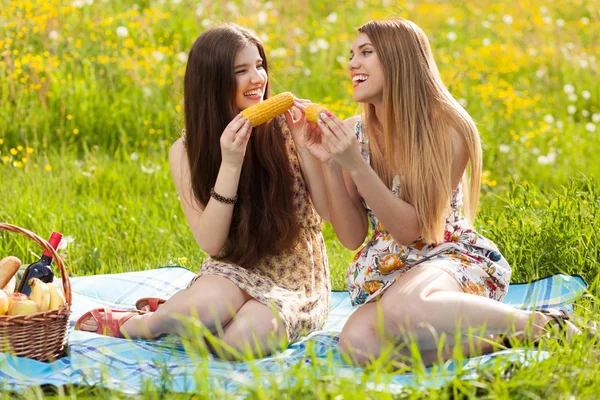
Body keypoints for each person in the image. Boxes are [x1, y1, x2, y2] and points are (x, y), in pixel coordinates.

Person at [296, 18, 581, 366]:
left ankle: (541, 323)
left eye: (366, 52)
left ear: (399, 59)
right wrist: (327, 163)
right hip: (391, 270)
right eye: (352, 55)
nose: (352, 63)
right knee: (357, 344)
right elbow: (352, 236)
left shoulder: (447, 129)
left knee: (405, 309)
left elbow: (412, 230)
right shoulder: (353, 134)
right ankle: (506, 339)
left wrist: (355, 165)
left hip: (445, 255)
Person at [75, 23, 331, 359]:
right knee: (201, 313)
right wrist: (231, 163)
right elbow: (211, 243)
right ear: (212, 83)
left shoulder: (290, 127)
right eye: (242, 71)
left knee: (236, 346)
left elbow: (327, 214)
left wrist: (306, 148)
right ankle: (143, 324)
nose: (258, 79)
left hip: (296, 277)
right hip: (234, 266)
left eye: (259, 65)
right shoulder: (185, 151)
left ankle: (178, 317)